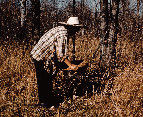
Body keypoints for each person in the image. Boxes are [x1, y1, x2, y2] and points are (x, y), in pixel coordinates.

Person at [31, 17, 85, 109]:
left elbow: (57, 52)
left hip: (41, 55)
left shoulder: (60, 29)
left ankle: (45, 102)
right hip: (40, 56)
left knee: (45, 79)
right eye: (76, 29)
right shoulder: (63, 35)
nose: (76, 32)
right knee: (45, 79)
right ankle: (46, 104)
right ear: (72, 28)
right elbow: (61, 55)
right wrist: (71, 65)